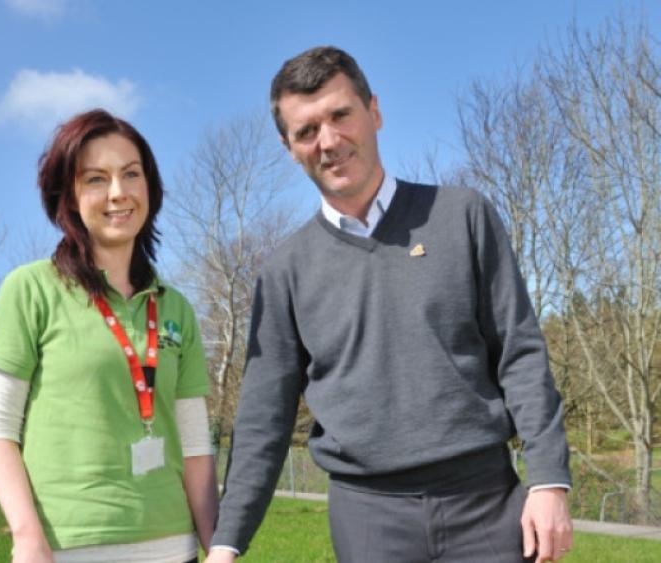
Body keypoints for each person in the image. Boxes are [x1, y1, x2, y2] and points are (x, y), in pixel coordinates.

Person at [206, 47, 573, 563]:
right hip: (368, 518)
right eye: (306, 131)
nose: (328, 142)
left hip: (486, 504)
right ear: (289, 147)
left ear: (373, 112)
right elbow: (264, 417)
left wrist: (549, 480)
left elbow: (521, 352)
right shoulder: (284, 271)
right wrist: (227, 542)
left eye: (340, 115)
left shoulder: (462, 215)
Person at [0, 109, 217, 563]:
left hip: (173, 546)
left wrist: (217, 545)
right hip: (68, 548)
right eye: (95, 179)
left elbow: (195, 444)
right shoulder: (29, 290)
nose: (118, 193)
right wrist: (28, 538)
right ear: (66, 195)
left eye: (131, 174)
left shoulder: (175, 308)